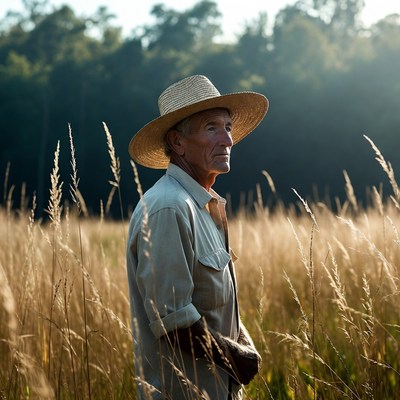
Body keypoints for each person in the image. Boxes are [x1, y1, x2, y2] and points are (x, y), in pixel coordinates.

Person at [126, 75, 269, 400]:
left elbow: (210, 306)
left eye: (228, 127)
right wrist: (237, 357)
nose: (228, 140)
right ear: (177, 143)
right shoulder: (168, 208)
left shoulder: (201, 205)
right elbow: (173, 320)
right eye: (211, 128)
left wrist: (242, 341)